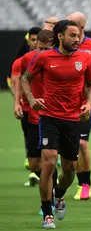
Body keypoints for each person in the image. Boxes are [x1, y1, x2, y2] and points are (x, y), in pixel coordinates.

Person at [21, 20, 91, 229]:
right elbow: (25, 79)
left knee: (70, 169)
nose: (77, 39)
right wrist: (32, 99)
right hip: (49, 117)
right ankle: (47, 213)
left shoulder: (85, 58)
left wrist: (88, 104)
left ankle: (59, 196)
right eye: (72, 35)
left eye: (78, 35)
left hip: (73, 120)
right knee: (50, 161)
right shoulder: (44, 57)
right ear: (60, 37)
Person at [67, 12, 91, 200]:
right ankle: (76, 182)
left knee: (82, 143)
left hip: (87, 103)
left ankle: (85, 185)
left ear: (81, 27)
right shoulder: (63, 46)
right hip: (65, 104)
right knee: (70, 146)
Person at [14, 30, 55, 189]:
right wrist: (17, 102)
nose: (43, 53)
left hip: (55, 115)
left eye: (47, 49)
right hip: (34, 115)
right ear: (35, 45)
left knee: (50, 158)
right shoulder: (27, 59)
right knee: (33, 163)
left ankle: (52, 193)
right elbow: (20, 79)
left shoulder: (60, 60)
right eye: (40, 48)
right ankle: (51, 185)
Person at [10, 26, 41, 171]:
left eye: (37, 39)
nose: (35, 42)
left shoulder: (48, 59)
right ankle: (33, 163)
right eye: (33, 39)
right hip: (27, 108)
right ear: (28, 41)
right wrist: (16, 102)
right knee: (29, 136)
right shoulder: (20, 62)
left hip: (45, 108)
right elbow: (16, 82)